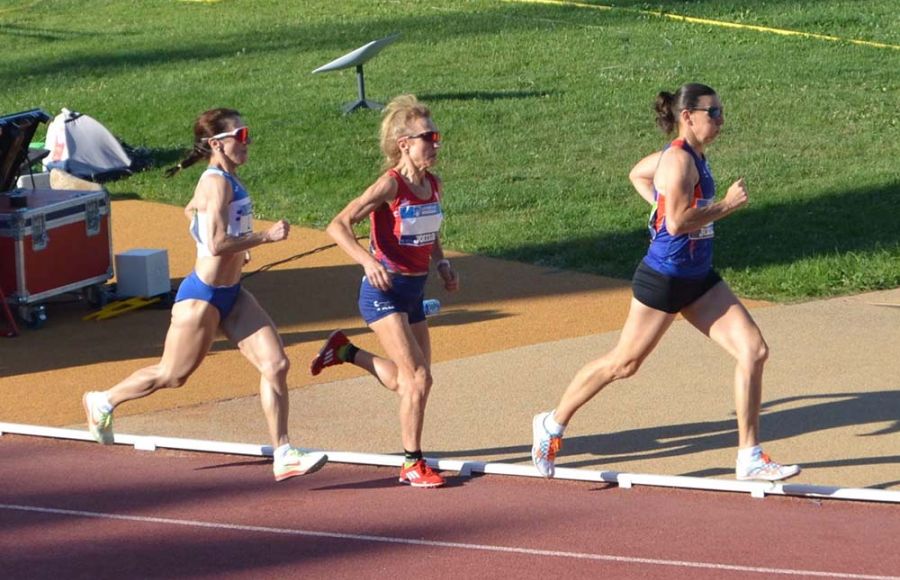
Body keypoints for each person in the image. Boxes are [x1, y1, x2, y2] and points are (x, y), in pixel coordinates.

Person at [531, 83, 800, 482]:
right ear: (687, 116)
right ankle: (551, 424)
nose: (721, 120)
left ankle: (750, 456)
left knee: (754, 350)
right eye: (715, 113)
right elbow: (676, 222)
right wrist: (725, 206)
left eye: (722, 112)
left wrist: (659, 202)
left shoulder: (687, 157)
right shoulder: (678, 162)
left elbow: (638, 174)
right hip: (664, 278)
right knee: (624, 364)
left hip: (698, 278)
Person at [82, 108, 327, 482]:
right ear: (217, 144)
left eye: (247, 135)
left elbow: (193, 213)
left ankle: (284, 452)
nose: (248, 143)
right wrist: (263, 237)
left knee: (276, 365)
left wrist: (229, 239)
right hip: (202, 297)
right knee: (173, 375)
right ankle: (104, 401)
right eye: (241, 136)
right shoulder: (217, 183)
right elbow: (214, 243)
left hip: (232, 293)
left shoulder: (227, 180)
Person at [308, 94, 459, 488]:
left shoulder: (432, 184)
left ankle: (344, 350)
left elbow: (431, 228)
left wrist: (441, 263)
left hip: (413, 291)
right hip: (383, 293)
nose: (437, 144)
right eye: (430, 136)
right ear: (404, 143)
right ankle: (411, 463)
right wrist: (367, 261)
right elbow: (338, 224)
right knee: (418, 379)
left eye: (437, 135)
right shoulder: (389, 186)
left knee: (406, 381)